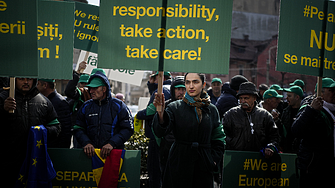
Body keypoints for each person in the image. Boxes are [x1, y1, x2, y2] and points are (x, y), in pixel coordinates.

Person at [153, 73, 225, 188]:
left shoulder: (212, 110)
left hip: (204, 164)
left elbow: (218, 137)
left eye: (195, 82)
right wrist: (161, 114)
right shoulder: (175, 107)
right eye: (188, 82)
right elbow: (161, 131)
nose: (191, 86)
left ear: (203, 84)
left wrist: (213, 160)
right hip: (179, 162)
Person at [0, 77, 61, 186]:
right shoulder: (3, 98)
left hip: (34, 162)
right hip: (8, 163)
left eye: (29, 79)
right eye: (21, 79)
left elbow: (56, 126)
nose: (26, 82)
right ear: (14, 80)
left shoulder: (44, 101)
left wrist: (41, 132)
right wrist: (2, 110)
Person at [73, 71, 134, 159]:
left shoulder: (119, 106)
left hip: (113, 157)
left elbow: (128, 129)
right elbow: (78, 128)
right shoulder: (86, 106)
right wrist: (86, 143)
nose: (91, 91)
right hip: (89, 157)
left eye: (95, 88)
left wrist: (112, 144)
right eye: (90, 88)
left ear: (104, 89)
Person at [292, 78, 335, 188]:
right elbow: (296, 130)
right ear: (321, 92)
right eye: (331, 90)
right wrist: (311, 110)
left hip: (328, 166)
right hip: (313, 167)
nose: (334, 93)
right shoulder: (308, 107)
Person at [222, 82, 280, 157]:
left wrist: (270, 147)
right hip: (235, 158)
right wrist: (231, 145)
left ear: (254, 98)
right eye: (241, 98)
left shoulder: (264, 115)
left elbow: (274, 136)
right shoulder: (231, 114)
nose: (243, 101)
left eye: (246, 98)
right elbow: (223, 135)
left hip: (259, 160)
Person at [136, 71, 172, 188]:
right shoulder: (168, 88)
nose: (151, 79)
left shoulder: (162, 90)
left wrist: (138, 115)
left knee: (155, 172)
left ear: (160, 77)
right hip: (165, 137)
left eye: (153, 77)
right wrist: (151, 85)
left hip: (157, 138)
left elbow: (150, 111)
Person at [159, 76, 186, 178]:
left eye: (183, 89)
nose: (181, 92)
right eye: (178, 89)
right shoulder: (165, 106)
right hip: (167, 152)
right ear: (173, 90)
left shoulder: (192, 107)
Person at [37, 79, 72, 148]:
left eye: (37, 84)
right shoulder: (41, 100)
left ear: (45, 85)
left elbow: (65, 131)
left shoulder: (60, 103)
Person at [280, 86, 303, 153]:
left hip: (300, 150)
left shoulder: (304, 112)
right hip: (287, 149)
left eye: (289, 96)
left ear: (297, 97)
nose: (286, 98)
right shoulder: (285, 111)